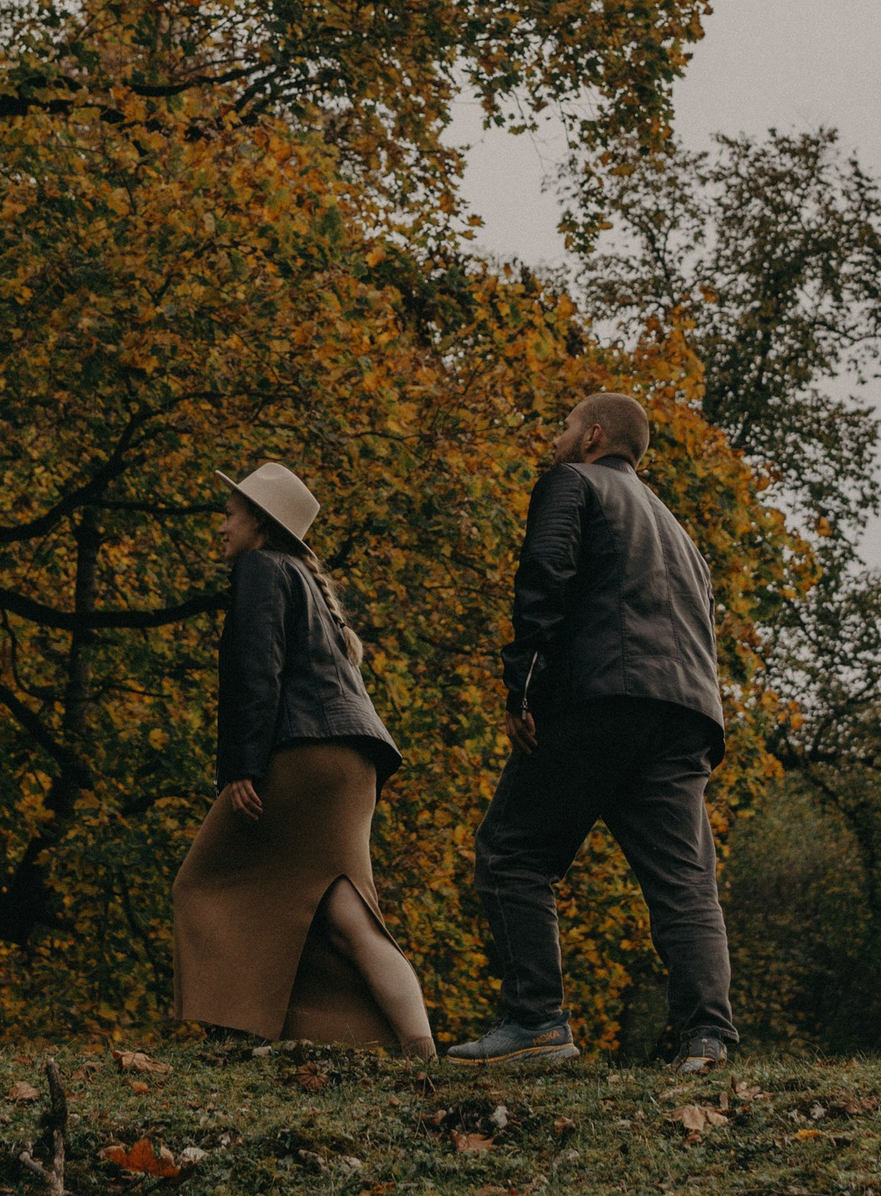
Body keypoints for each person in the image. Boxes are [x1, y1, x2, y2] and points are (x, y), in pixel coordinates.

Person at [450, 389, 737, 1073]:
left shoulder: (571, 483)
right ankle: (708, 1039)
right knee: (684, 884)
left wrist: (523, 682)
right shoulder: (679, 531)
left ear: (592, 438)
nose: (555, 438)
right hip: (685, 714)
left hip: (598, 698)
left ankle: (536, 1022)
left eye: (564, 425)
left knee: (513, 851)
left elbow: (546, 571)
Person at [171, 459, 437, 1058]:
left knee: (203, 882)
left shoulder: (261, 569)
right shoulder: (302, 579)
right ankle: (417, 1051)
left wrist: (243, 765)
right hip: (352, 768)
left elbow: (254, 672)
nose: (222, 524)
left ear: (260, 523)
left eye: (231, 512)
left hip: (304, 757)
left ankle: (234, 1028)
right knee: (344, 915)